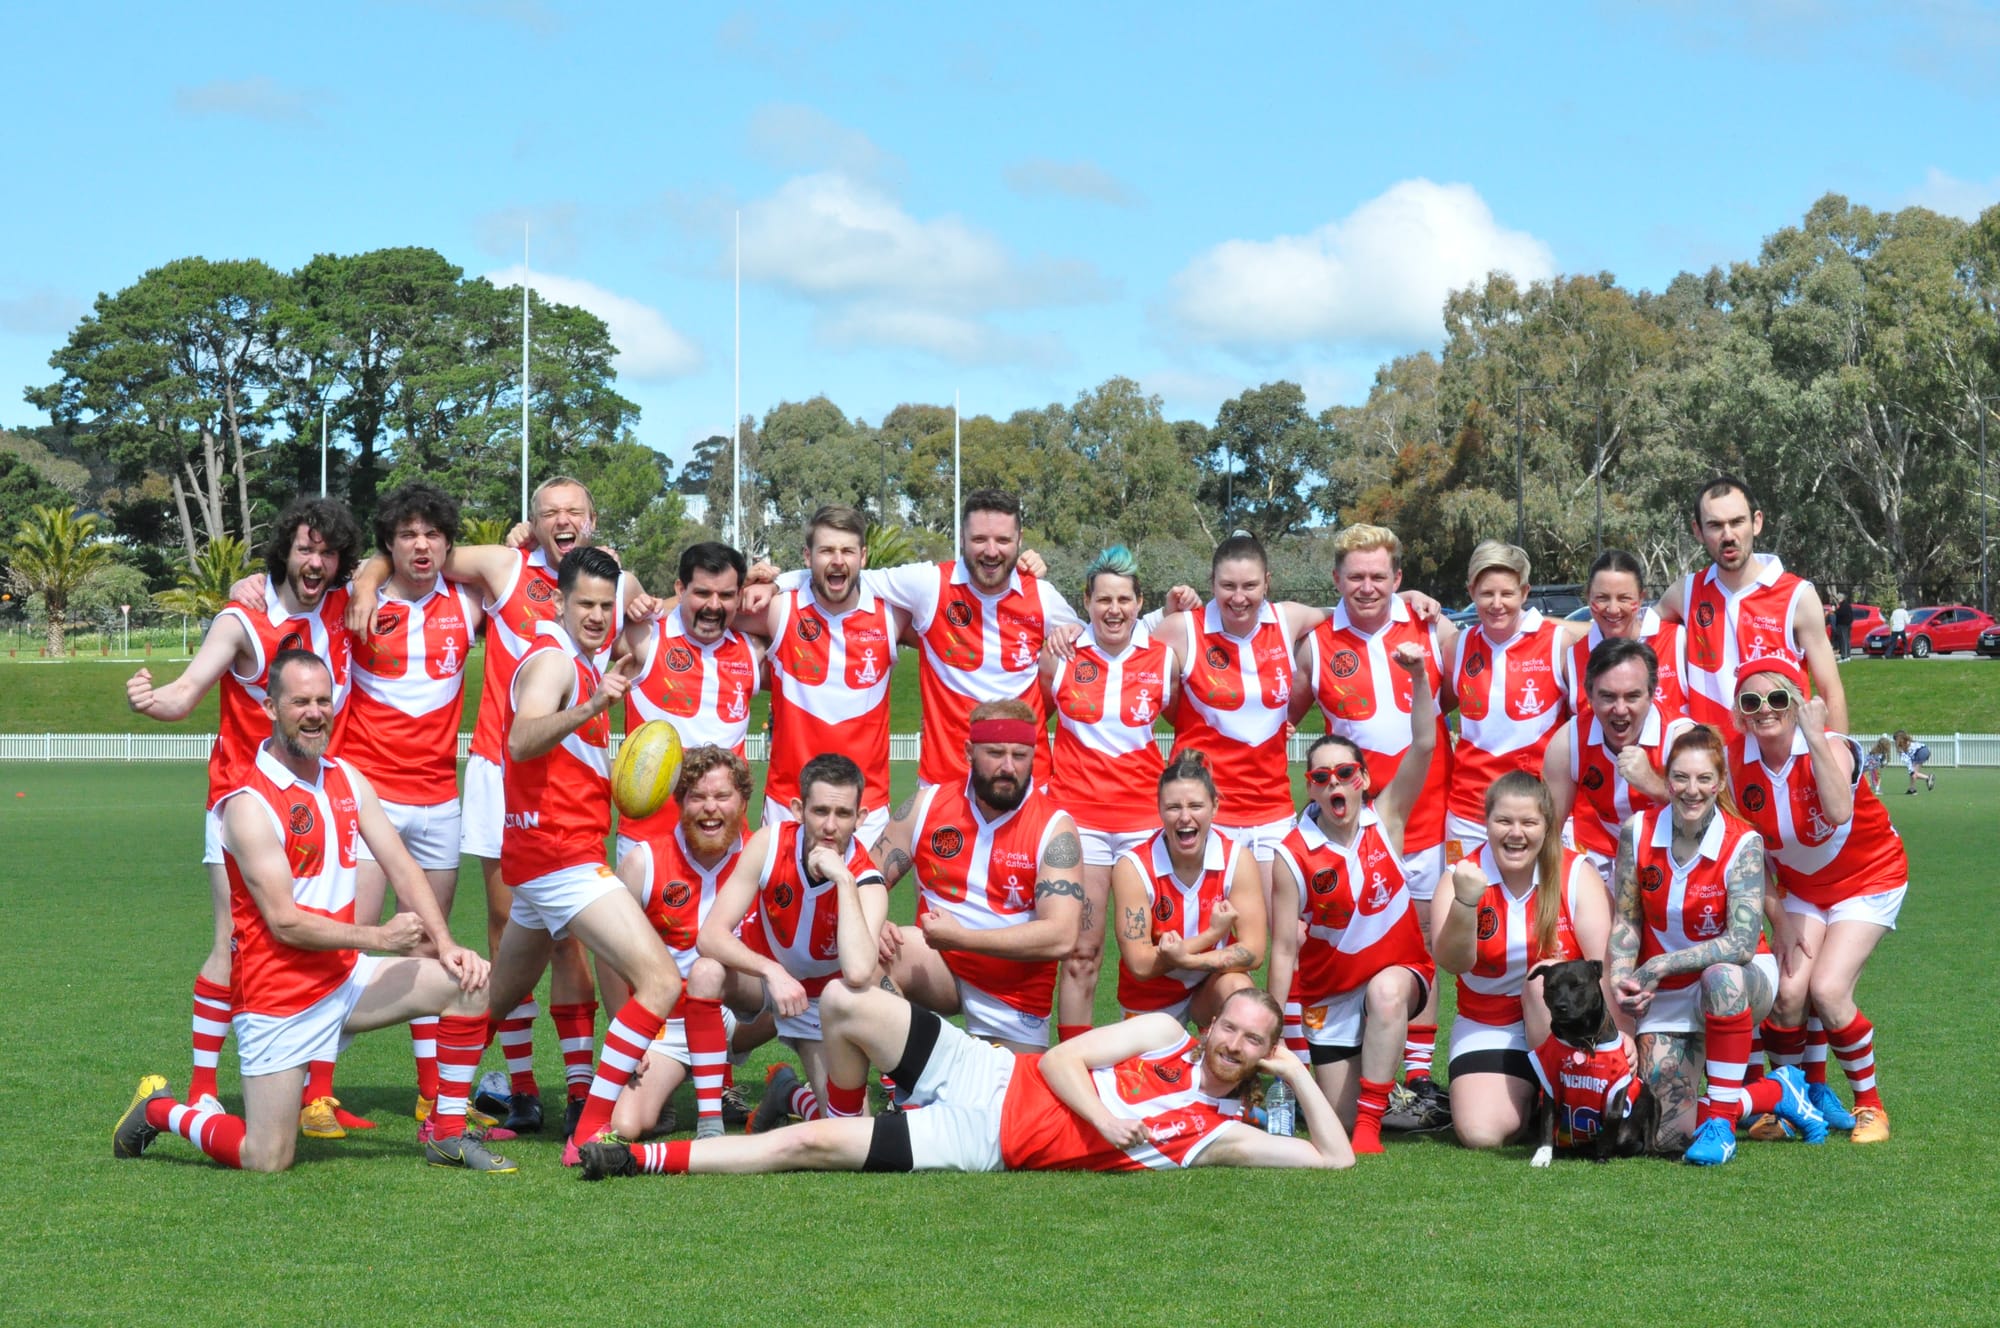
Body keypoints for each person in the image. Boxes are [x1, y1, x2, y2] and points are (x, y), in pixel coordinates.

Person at [114, 650, 507, 1173]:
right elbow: (285, 922)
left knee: (468, 982)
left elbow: (402, 865)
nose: (315, 712)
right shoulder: (248, 804)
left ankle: (448, 1135)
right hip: (279, 994)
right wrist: (380, 938)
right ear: (271, 706)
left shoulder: (346, 778)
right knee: (267, 1157)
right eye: (300, 701)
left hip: (345, 979)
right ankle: (162, 1111)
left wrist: (449, 943)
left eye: (324, 700)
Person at [346, 475, 655, 1135]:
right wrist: (367, 585)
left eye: (575, 510)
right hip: (500, 769)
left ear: (593, 520)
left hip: (571, 781)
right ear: (533, 521)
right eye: (550, 511)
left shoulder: (613, 582)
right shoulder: (503, 564)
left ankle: (572, 1091)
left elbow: (667, 624)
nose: (563, 520)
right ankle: (520, 1089)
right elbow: (410, 550)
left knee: (562, 943)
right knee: (503, 930)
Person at [123, 496, 363, 1136]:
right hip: (245, 805)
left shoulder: (342, 608)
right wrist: (156, 701)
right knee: (234, 943)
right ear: (284, 550)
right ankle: (202, 1092)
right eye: (306, 548)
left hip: (318, 806)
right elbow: (186, 691)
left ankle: (318, 1098)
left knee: (328, 938)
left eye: (328, 551)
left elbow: (400, 568)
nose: (316, 561)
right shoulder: (244, 617)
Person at [576, 984, 1354, 1177]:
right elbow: (1057, 1059)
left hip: (985, 1139)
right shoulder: (1161, 1033)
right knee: (849, 1001)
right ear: (1212, 1023)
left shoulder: (1221, 1136)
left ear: (1259, 1057)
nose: (1233, 1043)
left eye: (1254, 1043)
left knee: (809, 1145)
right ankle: (816, 1091)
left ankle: (633, 1158)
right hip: (991, 1070)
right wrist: (1108, 1124)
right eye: (1230, 1027)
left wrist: (1298, 1073)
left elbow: (1336, 1161)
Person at [483, 546, 686, 1165]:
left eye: (607, 605)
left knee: (490, 1001)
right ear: (561, 602)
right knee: (661, 981)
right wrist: (597, 704)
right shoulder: (551, 660)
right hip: (560, 856)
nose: (598, 616)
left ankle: (437, 1112)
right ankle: (589, 1131)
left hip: (547, 854)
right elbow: (520, 739)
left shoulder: (582, 659)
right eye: (587, 605)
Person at [1292, 522, 1456, 1119]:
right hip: (1352, 826)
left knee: (1422, 942)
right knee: (1345, 935)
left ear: (1399, 579)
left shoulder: (1433, 627)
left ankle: (1417, 1079)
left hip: (1429, 813)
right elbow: (1282, 715)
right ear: (1336, 579)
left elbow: (1454, 706)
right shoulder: (1315, 642)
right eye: (1355, 576)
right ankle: (1341, 1056)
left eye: (1378, 576)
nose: (1367, 587)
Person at [1607, 726, 1824, 1164]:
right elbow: (1627, 917)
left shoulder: (1742, 841)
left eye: (1704, 778)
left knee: (1719, 975)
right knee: (1666, 1137)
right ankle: (1777, 1091)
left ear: (1721, 782)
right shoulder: (1637, 831)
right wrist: (1619, 977)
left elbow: (1741, 944)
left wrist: (1659, 964)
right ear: (1666, 780)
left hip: (1740, 982)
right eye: (1681, 778)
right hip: (1666, 991)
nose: (1692, 790)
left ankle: (1723, 1127)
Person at [341, 483, 483, 1128]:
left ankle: (432, 1096)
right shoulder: (359, 602)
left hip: (439, 800)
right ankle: (317, 1092)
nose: (420, 545)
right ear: (389, 545)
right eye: (406, 535)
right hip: (370, 796)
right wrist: (367, 581)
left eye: (432, 534)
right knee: (353, 945)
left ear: (449, 543)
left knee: (429, 948)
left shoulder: (472, 603)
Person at [1728, 656, 1905, 1144]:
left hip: (1870, 878)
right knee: (1787, 996)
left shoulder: (1833, 748)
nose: (1765, 710)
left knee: (1827, 991)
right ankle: (1797, 1099)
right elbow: (1746, 853)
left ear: (1798, 702)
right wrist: (1778, 918)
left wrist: (1814, 733)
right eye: (1752, 702)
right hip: (1802, 890)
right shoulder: (1733, 762)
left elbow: (1839, 808)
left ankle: (1871, 1106)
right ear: (1740, 713)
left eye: (1778, 698)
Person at [1269, 640, 1437, 1154]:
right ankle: (1379, 1096)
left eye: (1345, 773)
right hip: (1332, 996)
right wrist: (1273, 1035)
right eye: (1322, 777)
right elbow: (1281, 951)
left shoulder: (1385, 819)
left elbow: (1426, 744)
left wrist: (1418, 677)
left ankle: (1371, 1128)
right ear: (1311, 787)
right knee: (1334, 1116)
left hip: (1400, 976)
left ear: (1362, 779)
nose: (1335, 783)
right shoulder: (1293, 853)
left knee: (1386, 995)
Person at [874, 700, 1084, 1055]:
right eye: (995, 753)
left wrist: (963, 938)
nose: (1008, 767)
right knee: (870, 951)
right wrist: (873, 918)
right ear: (969, 751)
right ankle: (907, 1080)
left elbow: (1061, 937)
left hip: (1015, 992)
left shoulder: (1055, 828)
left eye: (1020, 755)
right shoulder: (927, 806)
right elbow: (865, 876)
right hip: (939, 968)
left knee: (1006, 1108)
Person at [696, 753, 890, 1126]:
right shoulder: (770, 844)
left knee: (848, 1129)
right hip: (761, 980)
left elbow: (859, 970)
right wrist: (772, 972)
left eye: (844, 814)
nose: (830, 826)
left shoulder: (866, 881)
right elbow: (710, 935)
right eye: (820, 811)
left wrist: (844, 880)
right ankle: (709, 1123)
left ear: (861, 818)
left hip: (818, 1003)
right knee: (706, 971)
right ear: (799, 809)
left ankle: (787, 1092)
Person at [1039, 545, 1176, 1041]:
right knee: (1080, 952)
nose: (1113, 609)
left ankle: (1146, 1059)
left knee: (1152, 951)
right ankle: (1071, 1063)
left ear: (1140, 603)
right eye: (1103, 599)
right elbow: (1034, 729)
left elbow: (1193, 727)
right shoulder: (1061, 657)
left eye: (1123, 599)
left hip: (1146, 826)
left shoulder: (1164, 661)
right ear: (1087, 602)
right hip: (1082, 824)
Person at [1431, 772, 1609, 1148]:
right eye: (1504, 821)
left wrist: (1616, 1036)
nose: (1516, 833)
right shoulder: (1461, 876)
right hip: (1487, 1021)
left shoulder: (1576, 874)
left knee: (1539, 981)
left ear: (1547, 826)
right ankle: (1531, 1098)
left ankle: (1555, 1097)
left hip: (1563, 1022)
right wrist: (1465, 902)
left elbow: (1603, 968)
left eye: (1529, 822)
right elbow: (1451, 962)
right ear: (1486, 823)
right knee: (1482, 1134)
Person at [604, 746, 762, 1142]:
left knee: (823, 990)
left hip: (745, 1010)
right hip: (671, 1025)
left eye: (722, 796)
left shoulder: (765, 856)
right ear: (679, 801)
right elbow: (607, 953)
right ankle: (784, 1093)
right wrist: (626, 1036)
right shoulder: (644, 862)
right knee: (626, 1125)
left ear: (743, 800)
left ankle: (823, 1094)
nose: (710, 809)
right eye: (697, 797)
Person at [1156, 533, 1328, 894]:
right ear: (1211, 583)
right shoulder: (1182, 628)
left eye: (1250, 585)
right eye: (1227, 585)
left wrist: (1405, 599)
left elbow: (1350, 615)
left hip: (1271, 809)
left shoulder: (1289, 619)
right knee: (1200, 934)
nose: (1238, 597)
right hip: (1203, 811)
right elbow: (1123, 651)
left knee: (1287, 932)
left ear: (1267, 582)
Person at [734, 505, 907, 846]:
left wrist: (1026, 577)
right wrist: (640, 604)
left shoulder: (893, 617)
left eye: (847, 551)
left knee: (859, 901)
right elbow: (699, 612)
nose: (837, 560)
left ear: (864, 556)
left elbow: (968, 619)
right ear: (808, 556)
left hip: (864, 812)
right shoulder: (779, 610)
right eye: (827, 550)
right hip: (789, 805)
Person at [1657, 475, 1847, 731]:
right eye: (1715, 525)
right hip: (1714, 762)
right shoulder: (1686, 592)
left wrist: (1840, 761)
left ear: (1756, 522)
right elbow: (1630, 628)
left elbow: (1830, 691)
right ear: (1698, 531)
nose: (1728, 535)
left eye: (1737, 522)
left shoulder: (1797, 596)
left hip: (1778, 765)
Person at [615, 542, 763, 859]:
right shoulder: (646, 636)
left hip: (727, 841)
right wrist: (648, 604)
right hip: (649, 842)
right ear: (680, 589)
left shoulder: (754, 650)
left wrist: (774, 583)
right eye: (702, 593)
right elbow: (612, 586)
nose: (713, 605)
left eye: (726, 595)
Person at [1443, 542, 1586, 867]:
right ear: (1471, 591)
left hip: (1536, 812)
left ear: (1524, 592)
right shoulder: (1457, 646)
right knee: (1465, 904)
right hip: (1469, 813)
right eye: (1485, 594)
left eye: (1507, 594)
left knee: (1544, 912)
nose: (1496, 604)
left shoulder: (1557, 643)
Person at [1111, 751, 1266, 1026]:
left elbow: (1254, 952)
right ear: (1159, 809)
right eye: (1173, 807)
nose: (1185, 817)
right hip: (1150, 996)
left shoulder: (1237, 859)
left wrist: (1189, 960)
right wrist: (1212, 934)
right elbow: (1141, 966)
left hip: (1212, 983)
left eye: (1196, 806)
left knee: (1239, 992)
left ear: (1215, 807)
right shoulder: (1132, 866)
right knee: (1150, 1070)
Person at [1544, 638, 1692, 887]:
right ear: (1589, 693)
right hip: (1602, 857)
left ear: (1652, 693)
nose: (1620, 710)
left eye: (1632, 696)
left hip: (1673, 855)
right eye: (1608, 697)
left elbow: (1713, 823)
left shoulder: (1682, 739)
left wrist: (1654, 785)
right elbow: (1549, 831)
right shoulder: (1568, 741)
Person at [1561, 549, 1689, 718]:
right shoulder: (1572, 659)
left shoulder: (1677, 642)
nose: (1613, 609)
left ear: (1641, 597)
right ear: (1587, 597)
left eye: (1624, 598)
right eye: (1602, 598)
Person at [1833, 593, 1855, 662]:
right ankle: (1848, 656)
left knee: (1843, 640)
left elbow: (1840, 613)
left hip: (1843, 625)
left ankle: (1844, 656)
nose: (1837, 600)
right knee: (1847, 640)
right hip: (1847, 624)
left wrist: (1835, 611)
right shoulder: (1847, 605)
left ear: (1840, 599)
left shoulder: (1843, 606)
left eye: (1837, 599)